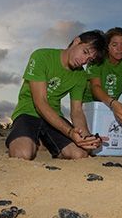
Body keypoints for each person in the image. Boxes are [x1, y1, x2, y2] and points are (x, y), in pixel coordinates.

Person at [6, 30, 106, 160]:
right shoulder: (41, 56)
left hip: (54, 116)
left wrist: (88, 139)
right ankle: (27, 139)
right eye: (85, 52)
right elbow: (40, 102)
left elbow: (76, 111)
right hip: (27, 112)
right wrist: (70, 132)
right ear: (76, 41)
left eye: (89, 59)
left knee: (80, 154)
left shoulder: (81, 75)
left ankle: (46, 142)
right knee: (23, 154)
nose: (83, 61)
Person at [85, 27, 122, 125]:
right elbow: (95, 87)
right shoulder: (97, 59)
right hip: (88, 103)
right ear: (107, 46)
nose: (119, 49)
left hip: (111, 104)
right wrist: (112, 103)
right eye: (114, 44)